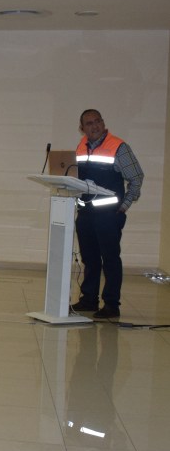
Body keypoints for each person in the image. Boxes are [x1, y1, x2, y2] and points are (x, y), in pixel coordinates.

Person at [72, 109, 144, 319]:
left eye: (98, 121)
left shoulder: (118, 147)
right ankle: (89, 300)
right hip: (86, 213)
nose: (94, 126)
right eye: (89, 123)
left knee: (110, 259)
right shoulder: (81, 147)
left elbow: (137, 178)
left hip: (109, 215)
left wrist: (124, 205)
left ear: (103, 123)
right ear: (82, 128)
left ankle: (112, 305)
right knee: (90, 258)